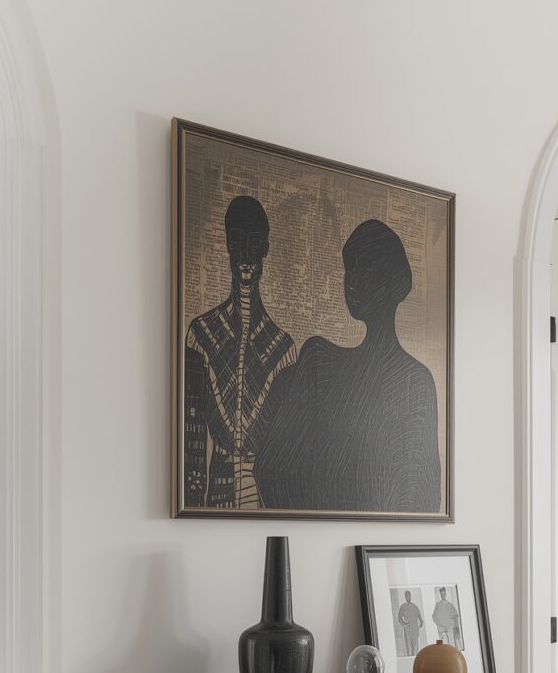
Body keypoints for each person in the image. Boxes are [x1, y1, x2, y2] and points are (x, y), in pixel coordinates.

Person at [254, 219, 441, 513]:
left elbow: (424, 495)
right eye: (348, 271)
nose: (352, 282)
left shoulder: (416, 382)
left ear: (391, 283)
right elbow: (272, 469)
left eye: (365, 272)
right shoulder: (319, 362)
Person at [183, 196, 296, 509]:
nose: (247, 253)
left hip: (266, 502)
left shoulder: (283, 348)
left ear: (266, 249)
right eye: (238, 241)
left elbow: (283, 451)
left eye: (255, 242)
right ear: (228, 245)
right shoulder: (201, 334)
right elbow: (191, 447)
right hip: (215, 497)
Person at [397, 590, 424, 656]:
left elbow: (420, 617)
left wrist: (421, 623)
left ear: (411, 596)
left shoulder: (415, 606)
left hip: (415, 630)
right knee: (409, 646)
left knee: (415, 647)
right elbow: (399, 617)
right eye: (407, 596)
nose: (408, 597)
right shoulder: (403, 606)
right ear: (405, 597)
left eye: (409, 596)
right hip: (408, 630)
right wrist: (404, 624)